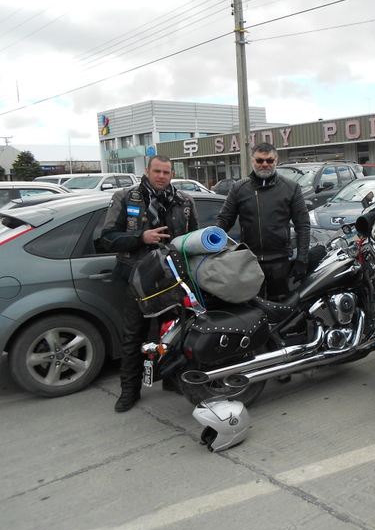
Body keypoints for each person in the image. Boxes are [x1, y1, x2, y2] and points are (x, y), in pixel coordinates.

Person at [100, 156, 198, 413]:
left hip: (171, 281)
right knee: (134, 338)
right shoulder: (126, 198)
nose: (162, 176)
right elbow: (106, 239)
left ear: (171, 174)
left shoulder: (184, 201)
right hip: (137, 281)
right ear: (147, 171)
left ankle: (173, 380)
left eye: (166, 172)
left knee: (175, 334)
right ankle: (129, 392)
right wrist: (140, 237)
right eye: (157, 171)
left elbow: (193, 240)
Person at [215, 143, 310, 301]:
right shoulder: (239, 188)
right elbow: (225, 220)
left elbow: (303, 225)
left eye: (269, 160)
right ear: (253, 161)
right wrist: (208, 240)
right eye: (260, 160)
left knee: (281, 312)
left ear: (276, 161)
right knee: (252, 312)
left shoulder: (291, 188)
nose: (265, 164)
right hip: (250, 262)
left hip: (280, 263)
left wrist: (302, 259)